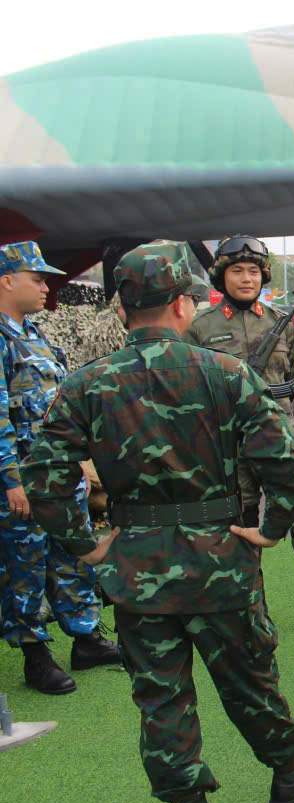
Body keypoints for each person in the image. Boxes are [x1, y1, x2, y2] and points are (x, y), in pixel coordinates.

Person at [21, 242, 294, 803]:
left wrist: (83, 544)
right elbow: (287, 465)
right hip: (220, 559)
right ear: (181, 304)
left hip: (136, 569)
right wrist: (272, 528)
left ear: (122, 310)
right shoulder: (224, 373)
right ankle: (291, 776)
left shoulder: (88, 384)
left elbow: (45, 473)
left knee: (161, 698)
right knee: (251, 679)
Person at [187, 235, 294, 624]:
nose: (246, 279)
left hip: (281, 443)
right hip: (230, 446)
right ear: (221, 276)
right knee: (241, 523)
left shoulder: (283, 325)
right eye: (237, 271)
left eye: (252, 271)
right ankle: (250, 603)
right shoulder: (200, 329)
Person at [0, 240, 119, 695]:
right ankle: (34, 653)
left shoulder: (33, 334)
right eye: (37, 278)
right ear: (7, 280)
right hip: (25, 481)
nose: (47, 287)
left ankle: (86, 637)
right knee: (24, 564)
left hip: (59, 473)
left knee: (71, 554)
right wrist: (12, 480)